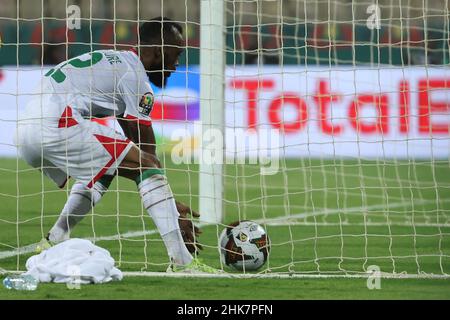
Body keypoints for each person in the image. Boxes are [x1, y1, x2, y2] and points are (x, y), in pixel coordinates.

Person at [15, 17, 217, 274]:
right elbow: (147, 156)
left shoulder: (116, 62)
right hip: (57, 123)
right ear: (158, 50)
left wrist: (168, 201)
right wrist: (171, 208)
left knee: (106, 166)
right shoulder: (136, 77)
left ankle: (53, 240)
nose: (177, 65)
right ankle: (183, 263)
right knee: (145, 166)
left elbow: (131, 144)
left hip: (26, 132)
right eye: (176, 54)